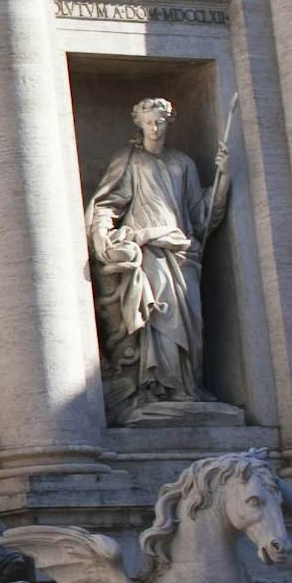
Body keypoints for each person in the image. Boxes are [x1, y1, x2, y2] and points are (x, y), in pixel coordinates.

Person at [85, 96, 232, 419]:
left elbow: (201, 215)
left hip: (181, 253)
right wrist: (103, 237)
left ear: (169, 123)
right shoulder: (129, 160)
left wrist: (222, 179)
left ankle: (185, 386)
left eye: (160, 121)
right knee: (158, 318)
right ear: (139, 123)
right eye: (149, 122)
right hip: (148, 250)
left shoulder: (183, 163)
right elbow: (108, 203)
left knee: (188, 322)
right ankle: (154, 388)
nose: (155, 127)